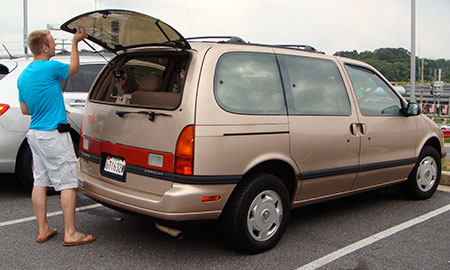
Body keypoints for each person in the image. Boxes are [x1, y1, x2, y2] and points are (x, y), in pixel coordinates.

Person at [17, 27, 95, 246]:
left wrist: (49, 106)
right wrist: (75, 43)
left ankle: (43, 229)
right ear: (44, 47)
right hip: (53, 135)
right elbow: (74, 68)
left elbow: (25, 109)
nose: (54, 45)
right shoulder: (50, 67)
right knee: (68, 182)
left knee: (40, 181)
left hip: (35, 134)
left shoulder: (24, 75)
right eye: (51, 42)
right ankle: (71, 233)